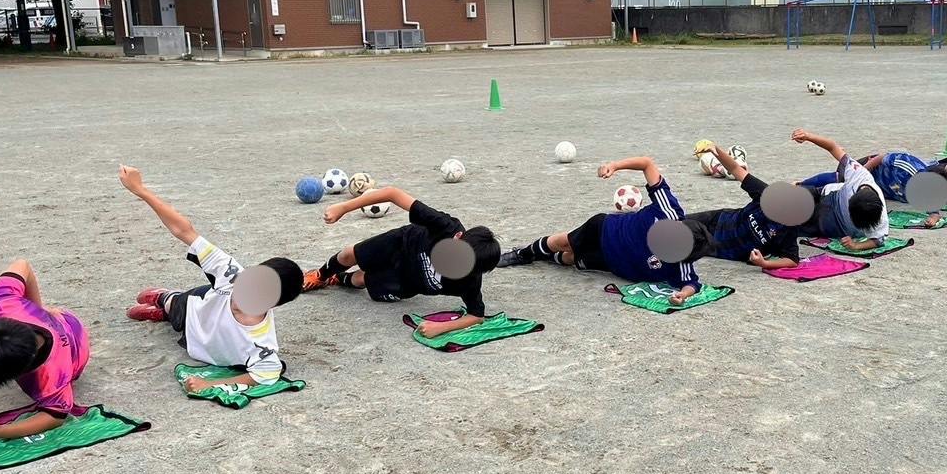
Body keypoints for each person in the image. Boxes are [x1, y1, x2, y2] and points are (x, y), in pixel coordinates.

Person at [119, 165, 303, 394]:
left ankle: (163, 312)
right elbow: (185, 231)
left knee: (170, 318)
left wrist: (209, 384)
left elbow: (266, 375)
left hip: (198, 345)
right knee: (171, 305)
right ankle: (165, 298)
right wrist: (141, 190)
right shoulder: (232, 275)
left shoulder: (262, 344)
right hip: (193, 310)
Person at [499, 156, 707, 307]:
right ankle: (524, 253)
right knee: (564, 242)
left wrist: (683, 295)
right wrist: (614, 166)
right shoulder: (668, 210)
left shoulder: (682, 262)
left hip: (610, 262)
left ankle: (544, 256)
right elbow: (647, 164)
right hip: (604, 229)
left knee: (571, 259)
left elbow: (691, 283)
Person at [302, 186, 500, 341]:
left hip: (407, 281)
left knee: (361, 280)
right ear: (457, 236)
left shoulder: (470, 280)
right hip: (400, 244)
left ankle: (338, 279)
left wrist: (440, 327)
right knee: (348, 254)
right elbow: (392, 193)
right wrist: (344, 207)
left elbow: (476, 316)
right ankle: (321, 275)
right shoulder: (445, 226)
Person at [0, 260, 90, 439]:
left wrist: (0, 431)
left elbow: (54, 417)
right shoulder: (0, 305)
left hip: (77, 350)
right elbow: (23, 265)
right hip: (58, 318)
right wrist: (39, 309)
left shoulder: (53, 377)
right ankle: (2, 338)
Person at [687, 143, 802, 270]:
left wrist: (764, 263)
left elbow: (792, 260)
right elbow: (735, 169)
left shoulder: (788, 227)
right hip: (718, 220)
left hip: (722, 248)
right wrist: (716, 150)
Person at [792, 129, 889, 249]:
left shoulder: (880, 218)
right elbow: (833, 147)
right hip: (827, 195)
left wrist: (856, 245)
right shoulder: (859, 175)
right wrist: (808, 136)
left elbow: (878, 241)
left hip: (833, 224)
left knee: (787, 225)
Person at [857, 149, 947, 206]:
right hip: (871, 170)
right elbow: (882, 158)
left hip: (882, 189)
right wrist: (863, 171)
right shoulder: (908, 166)